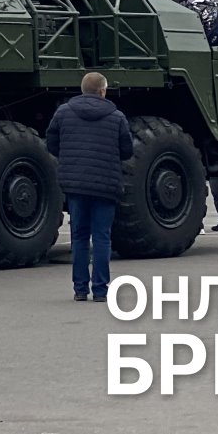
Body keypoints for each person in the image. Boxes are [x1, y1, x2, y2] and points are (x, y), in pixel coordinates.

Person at [46, 72, 134, 303]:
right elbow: (127, 150)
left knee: (80, 236)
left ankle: (80, 289)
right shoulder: (116, 116)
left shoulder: (63, 112)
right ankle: (101, 290)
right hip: (106, 184)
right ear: (103, 91)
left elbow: (52, 143)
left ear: (82, 89)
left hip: (75, 184)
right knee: (102, 237)